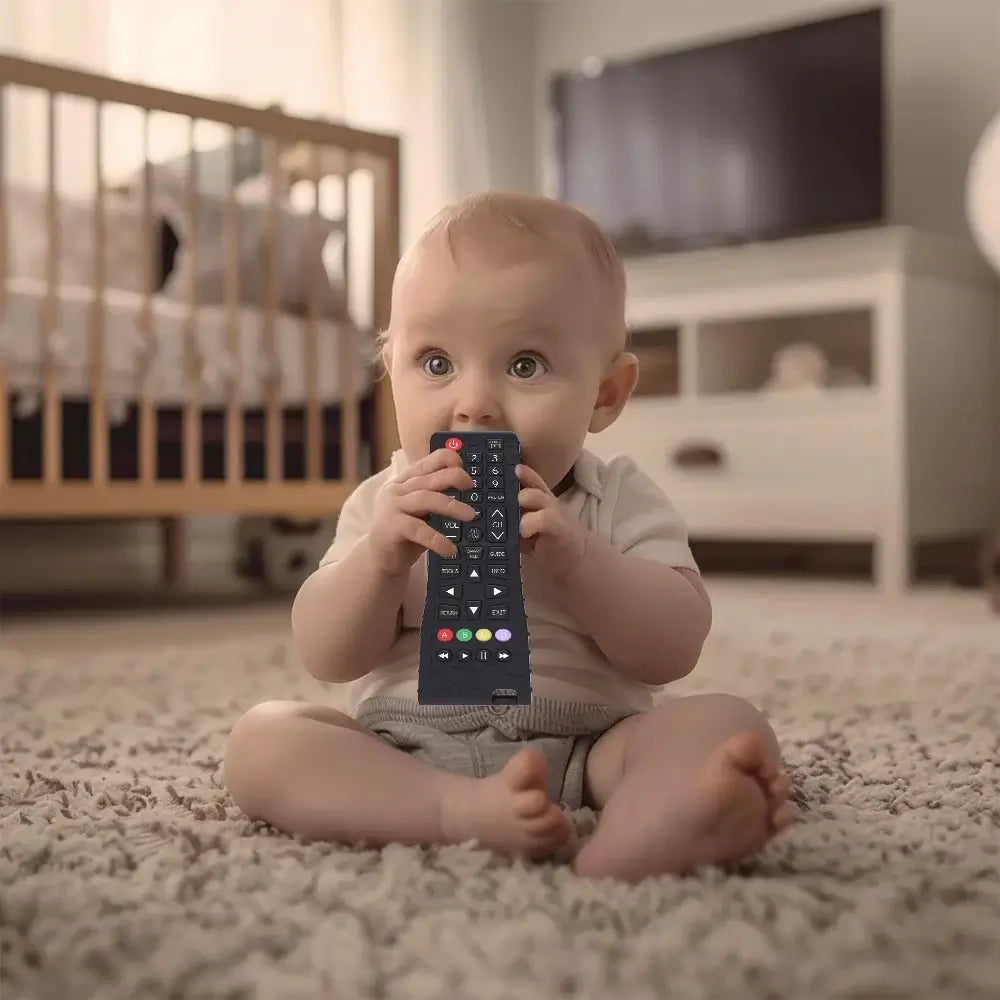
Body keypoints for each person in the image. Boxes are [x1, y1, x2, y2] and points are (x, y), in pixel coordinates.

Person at [223, 191, 795, 883]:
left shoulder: (617, 499)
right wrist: (378, 562)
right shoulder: (384, 503)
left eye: (524, 365)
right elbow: (326, 653)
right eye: (436, 363)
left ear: (605, 395)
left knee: (728, 725)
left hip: (593, 746)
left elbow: (672, 648)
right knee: (263, 740)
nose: (475, 403)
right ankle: (452, 811)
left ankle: (652, 823)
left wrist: (582, 563)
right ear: (391, 373)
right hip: (402, 742)